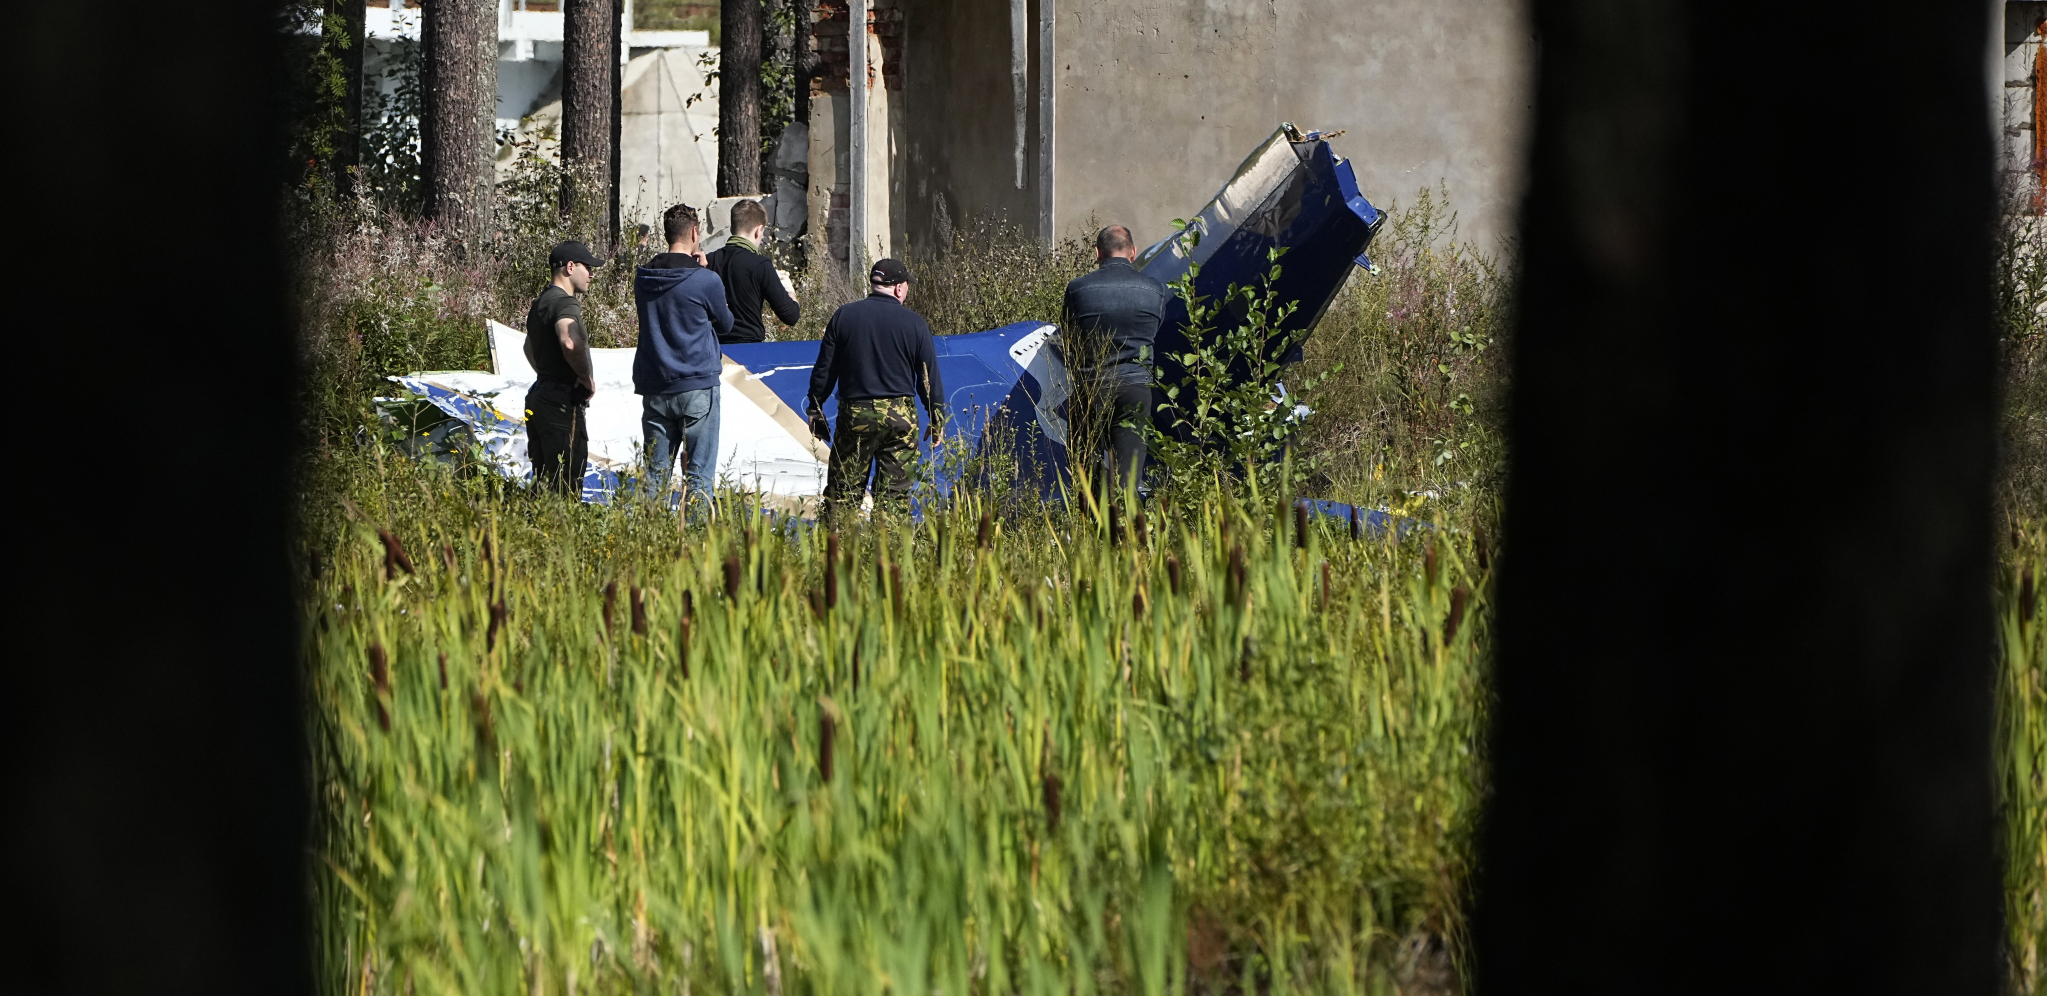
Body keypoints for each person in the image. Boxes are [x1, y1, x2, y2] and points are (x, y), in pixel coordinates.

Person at [806, 258, 946, 522]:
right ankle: (889, 557)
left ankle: (833, 556)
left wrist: (815, 407)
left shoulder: (844, 316)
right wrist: (936, 417)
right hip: (900, 419)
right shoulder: (915, 323)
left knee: (843, 496)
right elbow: (929, 378)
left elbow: (825, 369)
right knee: (893, 501)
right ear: (898, 288)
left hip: (855, 417)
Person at [634, 203, 734, 514]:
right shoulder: (705, 280)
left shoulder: (643, 277)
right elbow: (727, 322)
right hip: (696, 383)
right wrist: (705, 273)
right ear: (694, 233)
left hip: (655, 382)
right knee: (699, 477)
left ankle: (649, 546)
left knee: (654, 477)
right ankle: (695, 548)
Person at [1061, 224, 1169, 498]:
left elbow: (1068, 335)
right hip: (1136, 385)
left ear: (1097, 253)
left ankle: (1093, 528)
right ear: (1133, 252)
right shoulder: (1155, 290)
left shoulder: (1078, 289)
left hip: (1092, 386)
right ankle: (1127, 530)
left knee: (1088, 470)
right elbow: (1153, 333)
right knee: (1129, 472)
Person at [524, 240, 605, 496]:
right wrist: (584, 377)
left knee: (544, 478)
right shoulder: (566, 303)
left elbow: (528, 347)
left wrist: (546, 374)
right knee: (567, 481)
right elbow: (569, 341)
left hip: (539, 395)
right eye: (588, 267)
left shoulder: (540, 303)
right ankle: (561, 533)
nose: (591, 274)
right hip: (562, 402)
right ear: (570, 267)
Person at [705, 198, 801, 344]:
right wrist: (789, 290)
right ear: (758, 230)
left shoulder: (709, 261)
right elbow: (791, 315)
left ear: (732, 228)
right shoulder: (761, 265)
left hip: (716, 348)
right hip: (750, 348)